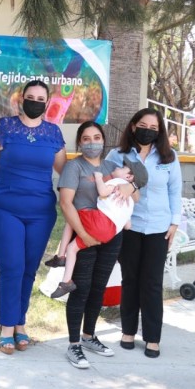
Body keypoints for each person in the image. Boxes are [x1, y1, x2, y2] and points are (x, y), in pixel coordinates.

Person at [0, 79, 67, 354]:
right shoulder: (6, 127)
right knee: (12, 267)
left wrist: (102, 179)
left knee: (28, 270)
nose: (35, 102)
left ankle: (20, 323)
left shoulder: (53, 133)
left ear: (47, 103)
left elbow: (66, 171)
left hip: (41, 214)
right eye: (30, 97)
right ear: (21, 99)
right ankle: (7, 327)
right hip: (5, 209)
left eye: (41, 99)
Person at [58, 121, 137, 369]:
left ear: (103, 141)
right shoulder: (74, 167)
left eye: (96, 138)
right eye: (86, 139)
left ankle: (89, 336)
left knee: (98, 288)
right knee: (81, 289)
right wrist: (83, 234)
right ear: (80, 143)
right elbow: (66, 203)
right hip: (85, 233)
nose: (92, 143)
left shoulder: (112, 167)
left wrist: (131, 185)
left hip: (112, 236)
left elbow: (136, 195)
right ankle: (73, 344)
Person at [106, 108, 182, 359]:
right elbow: (105, 183)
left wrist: (174, 223)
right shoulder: (117, 155)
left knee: (152, 282)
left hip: (159, 228)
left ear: (159, 132)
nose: (148, 131)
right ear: (133, 126)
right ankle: (128, 331)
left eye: (154, 128)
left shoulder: (169, 157)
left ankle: (152, 337)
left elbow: (175, 191)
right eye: (143, 125)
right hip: (129, 226)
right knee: (130, 279)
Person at [50, 156, 149, 299]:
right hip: (108, 234)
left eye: (122, 168)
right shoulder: (130, 202)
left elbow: (102, 192)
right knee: (73, 248)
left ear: (128, 177)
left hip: (99, 222)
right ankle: (66, 282)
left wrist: (98, 177)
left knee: (72, 216)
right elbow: (128, 226)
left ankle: (60, 257)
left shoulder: (119, 183)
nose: (118, 167)